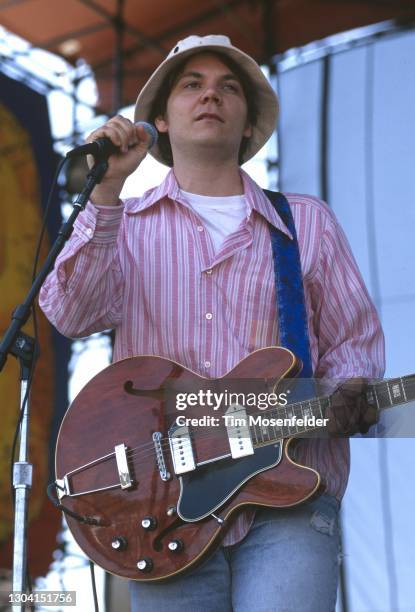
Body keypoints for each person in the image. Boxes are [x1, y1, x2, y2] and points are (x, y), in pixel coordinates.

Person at [39, 35, 385, 612]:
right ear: (160, 122)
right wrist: (105, 190)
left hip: (290, 497)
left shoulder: (304, 224)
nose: (211, 96)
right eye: (191, 85)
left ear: (249, 125)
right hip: (160, 503)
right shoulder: (121, 220)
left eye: (229, 88)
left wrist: (350, 391)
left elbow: (354, 345)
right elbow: (70, 314)